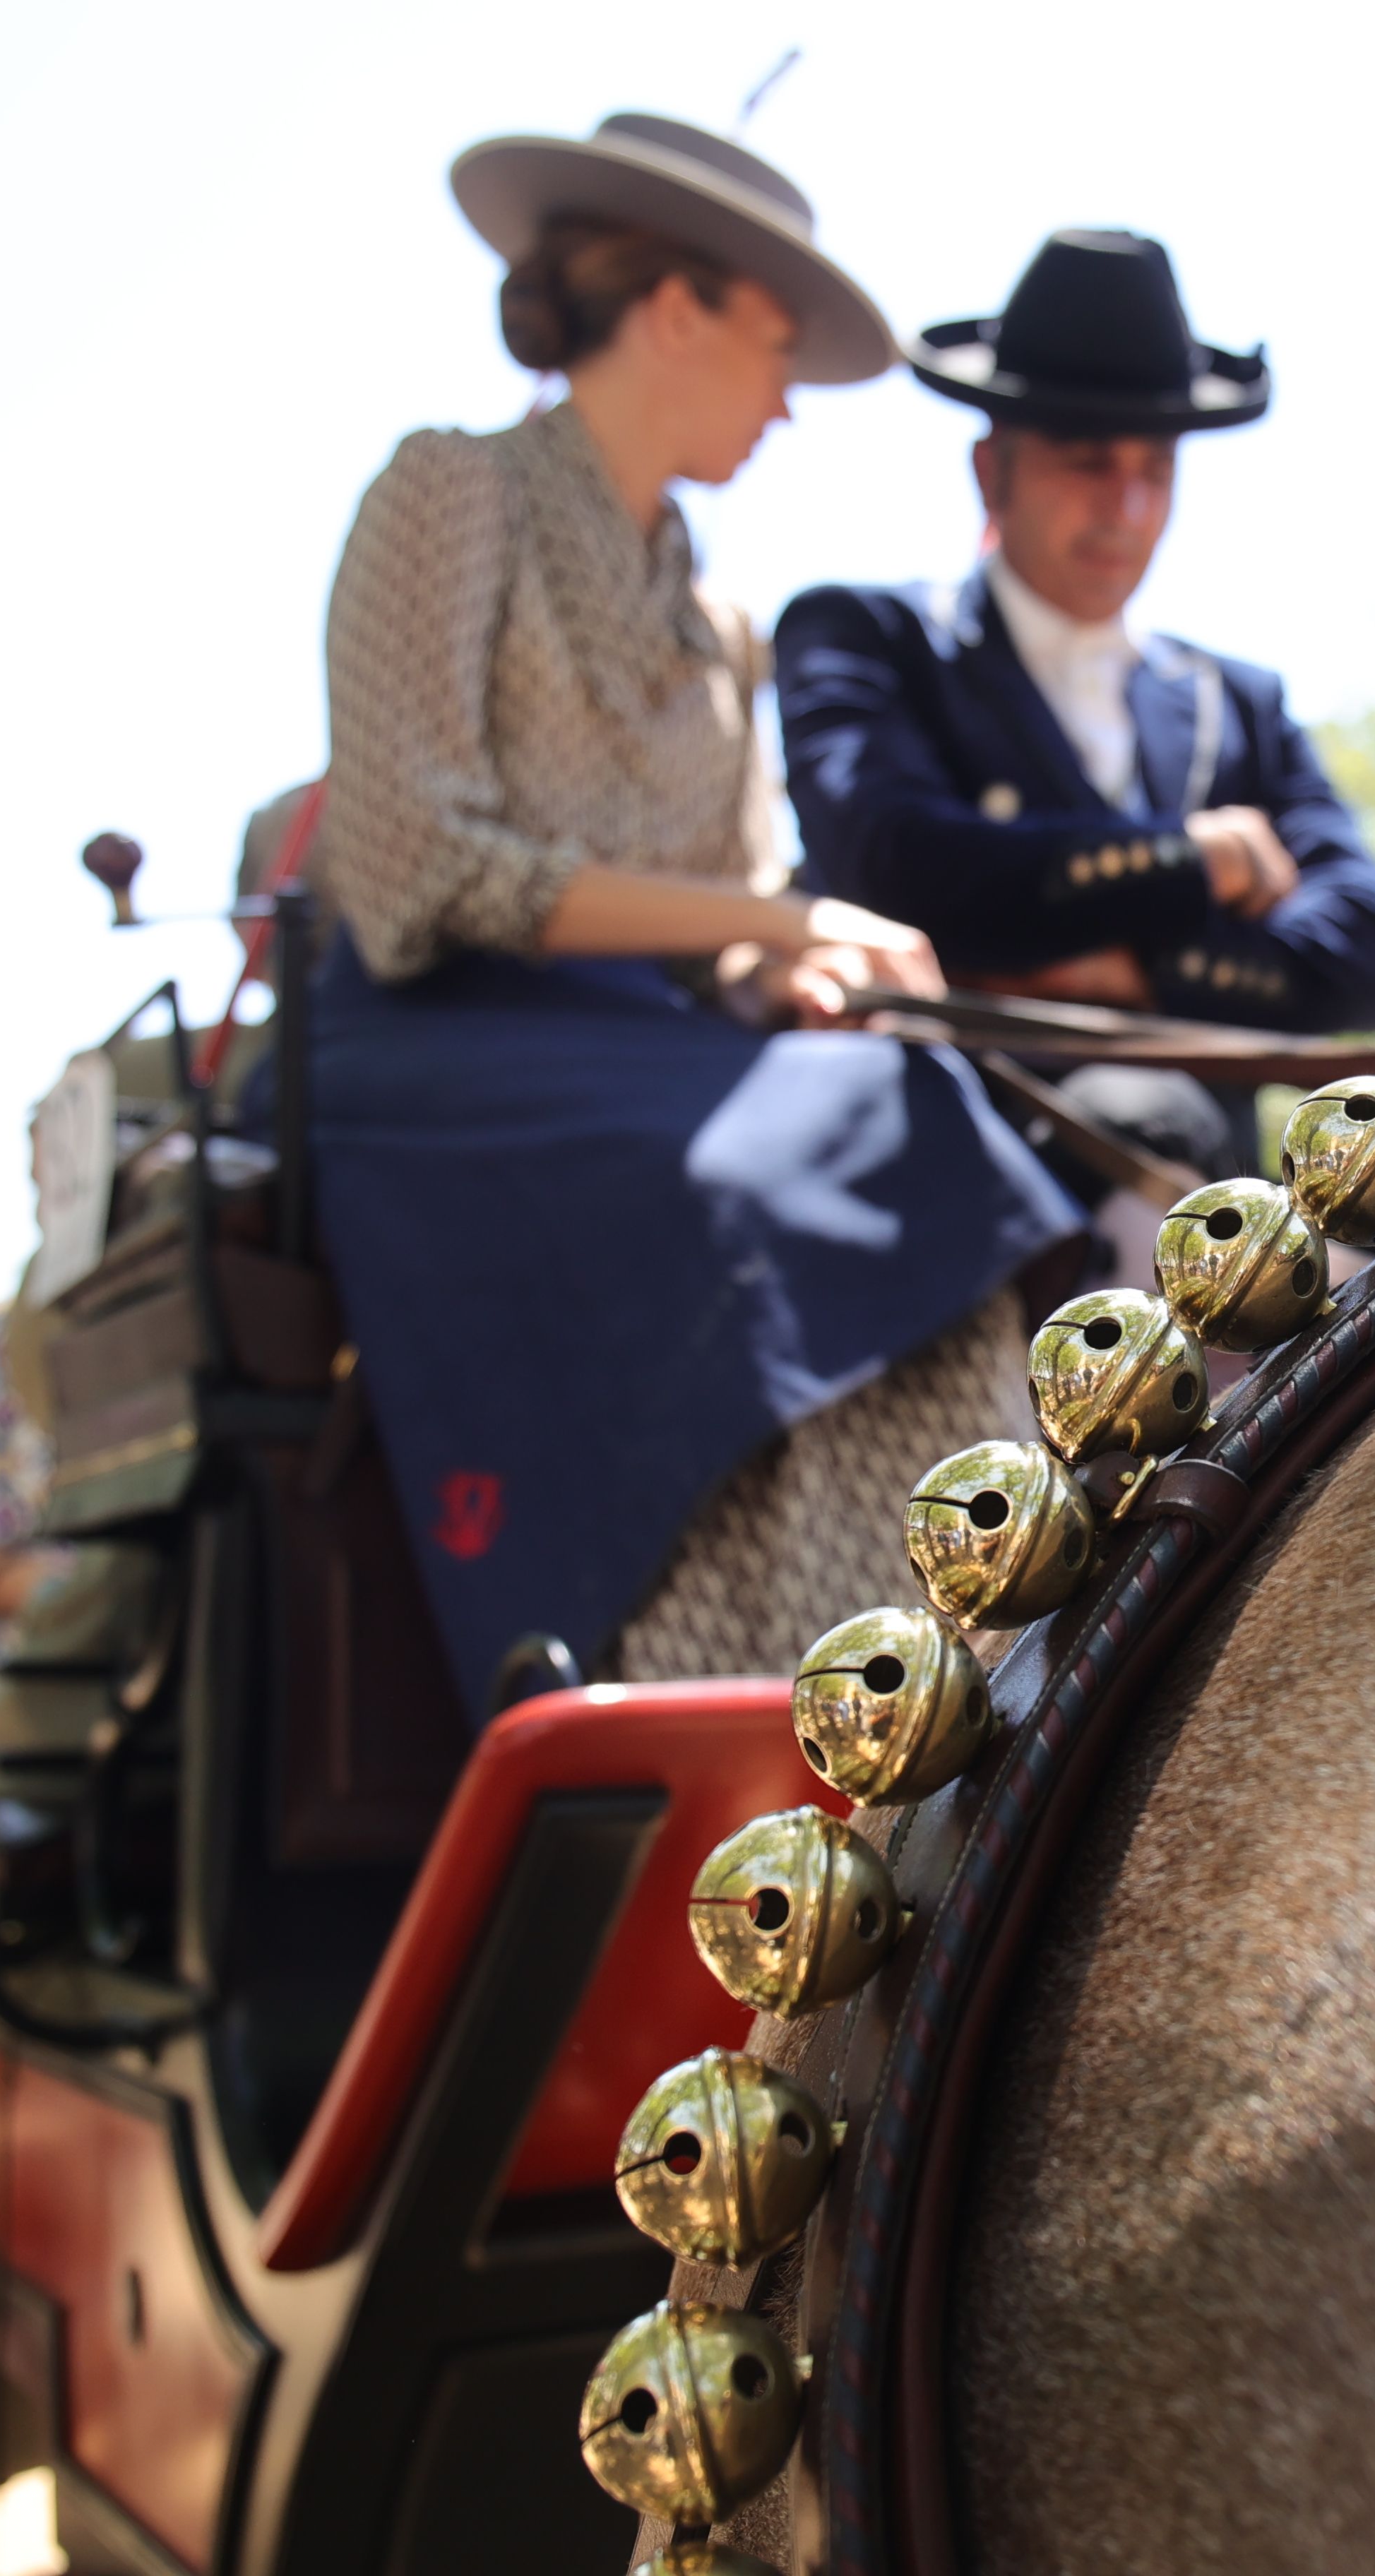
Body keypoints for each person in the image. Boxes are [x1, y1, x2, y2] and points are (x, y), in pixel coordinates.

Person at [308, 114, 1080, 1697]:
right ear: (673, 304)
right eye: (774, 343)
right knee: (766, 1170)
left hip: (662, 1049)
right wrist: (782, 927)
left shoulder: (719, 615)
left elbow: (733, 912)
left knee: (905, 1096)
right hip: (449, 1052)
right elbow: (411, 875)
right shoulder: (452, 494)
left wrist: (795, 962)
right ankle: (730, 1675)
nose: (792, 404)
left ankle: (961, 1661)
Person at [774, 228, 1375, 1186]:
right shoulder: (865, 637)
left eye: (1154, 472)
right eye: (1086, 463)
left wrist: (1128, 974)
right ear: (993, 473)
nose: (1126, 508)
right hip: (943, 1159)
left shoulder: (1237, 701)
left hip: (1225, 1193)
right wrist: (1203, 861)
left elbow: (1368, 952)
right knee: (1143, 1118)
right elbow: (899, 863)